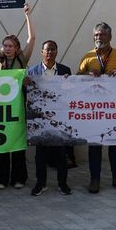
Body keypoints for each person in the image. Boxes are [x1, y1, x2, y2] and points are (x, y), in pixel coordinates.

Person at [0, 3, 35, 190]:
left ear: (17, 47)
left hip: (19, 107)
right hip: (1, 108)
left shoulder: (23, 59)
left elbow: (32, 37)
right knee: (1, 142)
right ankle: (1, 179)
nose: (7, 48)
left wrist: (28, 15)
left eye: (11, 45)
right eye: (5, 45)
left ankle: (19, 178)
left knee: (18, 142)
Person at [78, 22, 116, 194]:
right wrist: (87, 75)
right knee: (94, 145)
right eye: (96, 35)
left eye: (102, 35)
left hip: (114, 109)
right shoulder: (87, 56)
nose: (98, 38)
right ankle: (94, 180)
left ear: (110, 37)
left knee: (115, 145)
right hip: (93, 110)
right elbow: (77, 79)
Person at [26, 40, 72, 196]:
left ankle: (62, 183)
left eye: (53, 49)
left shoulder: (65, 70)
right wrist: (24, 85)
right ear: (42, 52)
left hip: (59, 117)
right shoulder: (32, 71)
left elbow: (69, 93)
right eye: (47, 50)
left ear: (56, 52)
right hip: (40, 119)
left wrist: (68, 83)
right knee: (41, 154)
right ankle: (41, 183)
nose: (50, 52)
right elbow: (27, 95)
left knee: (61, 153)